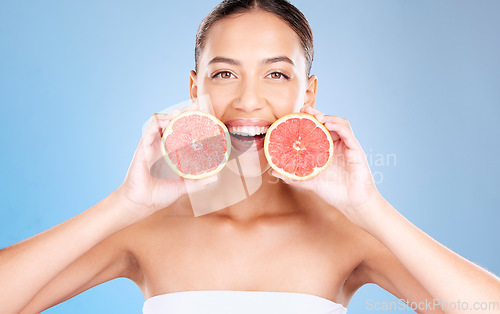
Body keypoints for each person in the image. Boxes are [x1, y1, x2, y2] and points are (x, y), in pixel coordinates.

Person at [1, 0, 499, 313]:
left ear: (308, 95)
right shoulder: (143, 227)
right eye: (223, 74)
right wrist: (123, 206)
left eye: (277, 74)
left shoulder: (350, 234)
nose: (248, 100)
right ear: (194, 90)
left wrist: (372, 210)